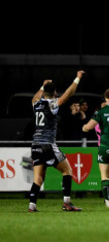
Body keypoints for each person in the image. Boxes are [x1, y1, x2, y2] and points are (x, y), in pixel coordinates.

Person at [28, 70, 85, 212]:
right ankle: (67, 203)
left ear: (43, 92)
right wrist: (77, 78)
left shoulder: (37, 104)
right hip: (47, 144)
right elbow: (68, 94)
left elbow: (34, 98)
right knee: (68, 171)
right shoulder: (51, 105)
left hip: (35, 145)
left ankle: (32, 205)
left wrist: (42, 86)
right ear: (54, 93)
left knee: (38, 179)